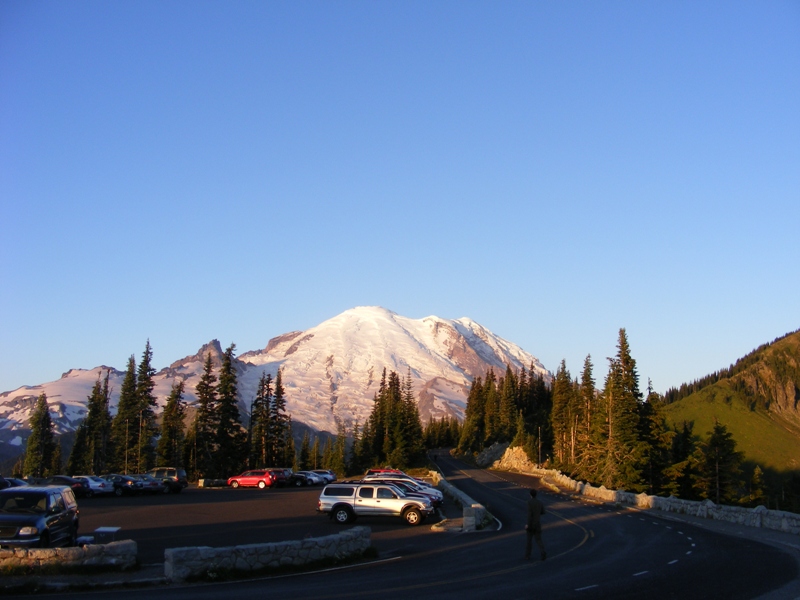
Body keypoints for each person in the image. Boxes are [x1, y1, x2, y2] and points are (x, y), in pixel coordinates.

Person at [525, 488, 546, 561]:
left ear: (530, 495)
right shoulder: (540, 502)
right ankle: (543, 552)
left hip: (531, 525)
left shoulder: (529, 502)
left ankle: (527, 555)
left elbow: (529, 514)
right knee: (539, 540)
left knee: (529, 541)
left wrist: (527, 524)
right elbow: (543, 512)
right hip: (537, 524)